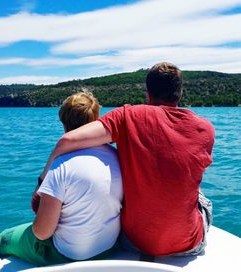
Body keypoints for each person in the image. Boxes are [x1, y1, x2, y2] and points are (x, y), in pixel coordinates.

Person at [37, 62, 214, 257]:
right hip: (188, 244)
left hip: (135, 242)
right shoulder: (206, 129)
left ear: (148, 93)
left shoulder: (128, 115)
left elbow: (67, 140)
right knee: (196, 189)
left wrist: (43, 181)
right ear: (179, 93)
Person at [0, 92, 123, 265]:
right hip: (109, 248)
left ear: (63, 122)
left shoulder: (62, 165)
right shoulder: (117, 157)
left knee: (3, 238)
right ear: (96, 119)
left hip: (68, 255)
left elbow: (42, 233)